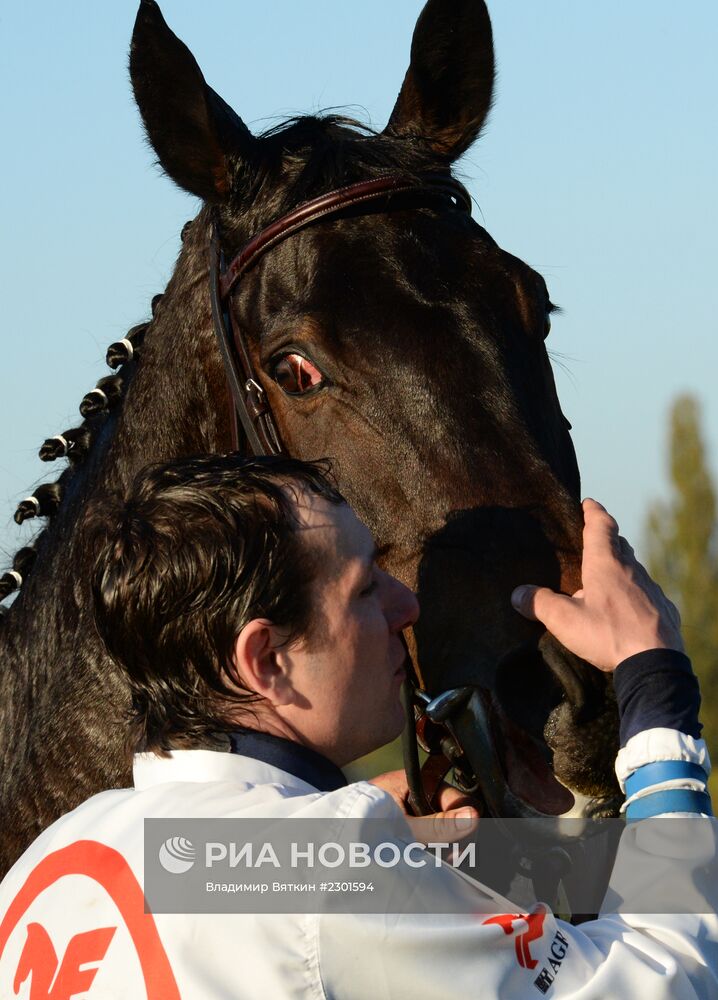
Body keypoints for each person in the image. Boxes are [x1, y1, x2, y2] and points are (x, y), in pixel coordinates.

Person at [0, 453, 715, 999]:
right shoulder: (326, 864)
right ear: (266, 659)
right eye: (367, 588)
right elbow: (666, 977)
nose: (406, 608)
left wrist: (378, 845)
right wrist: (654, 686)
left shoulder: (48, 863)